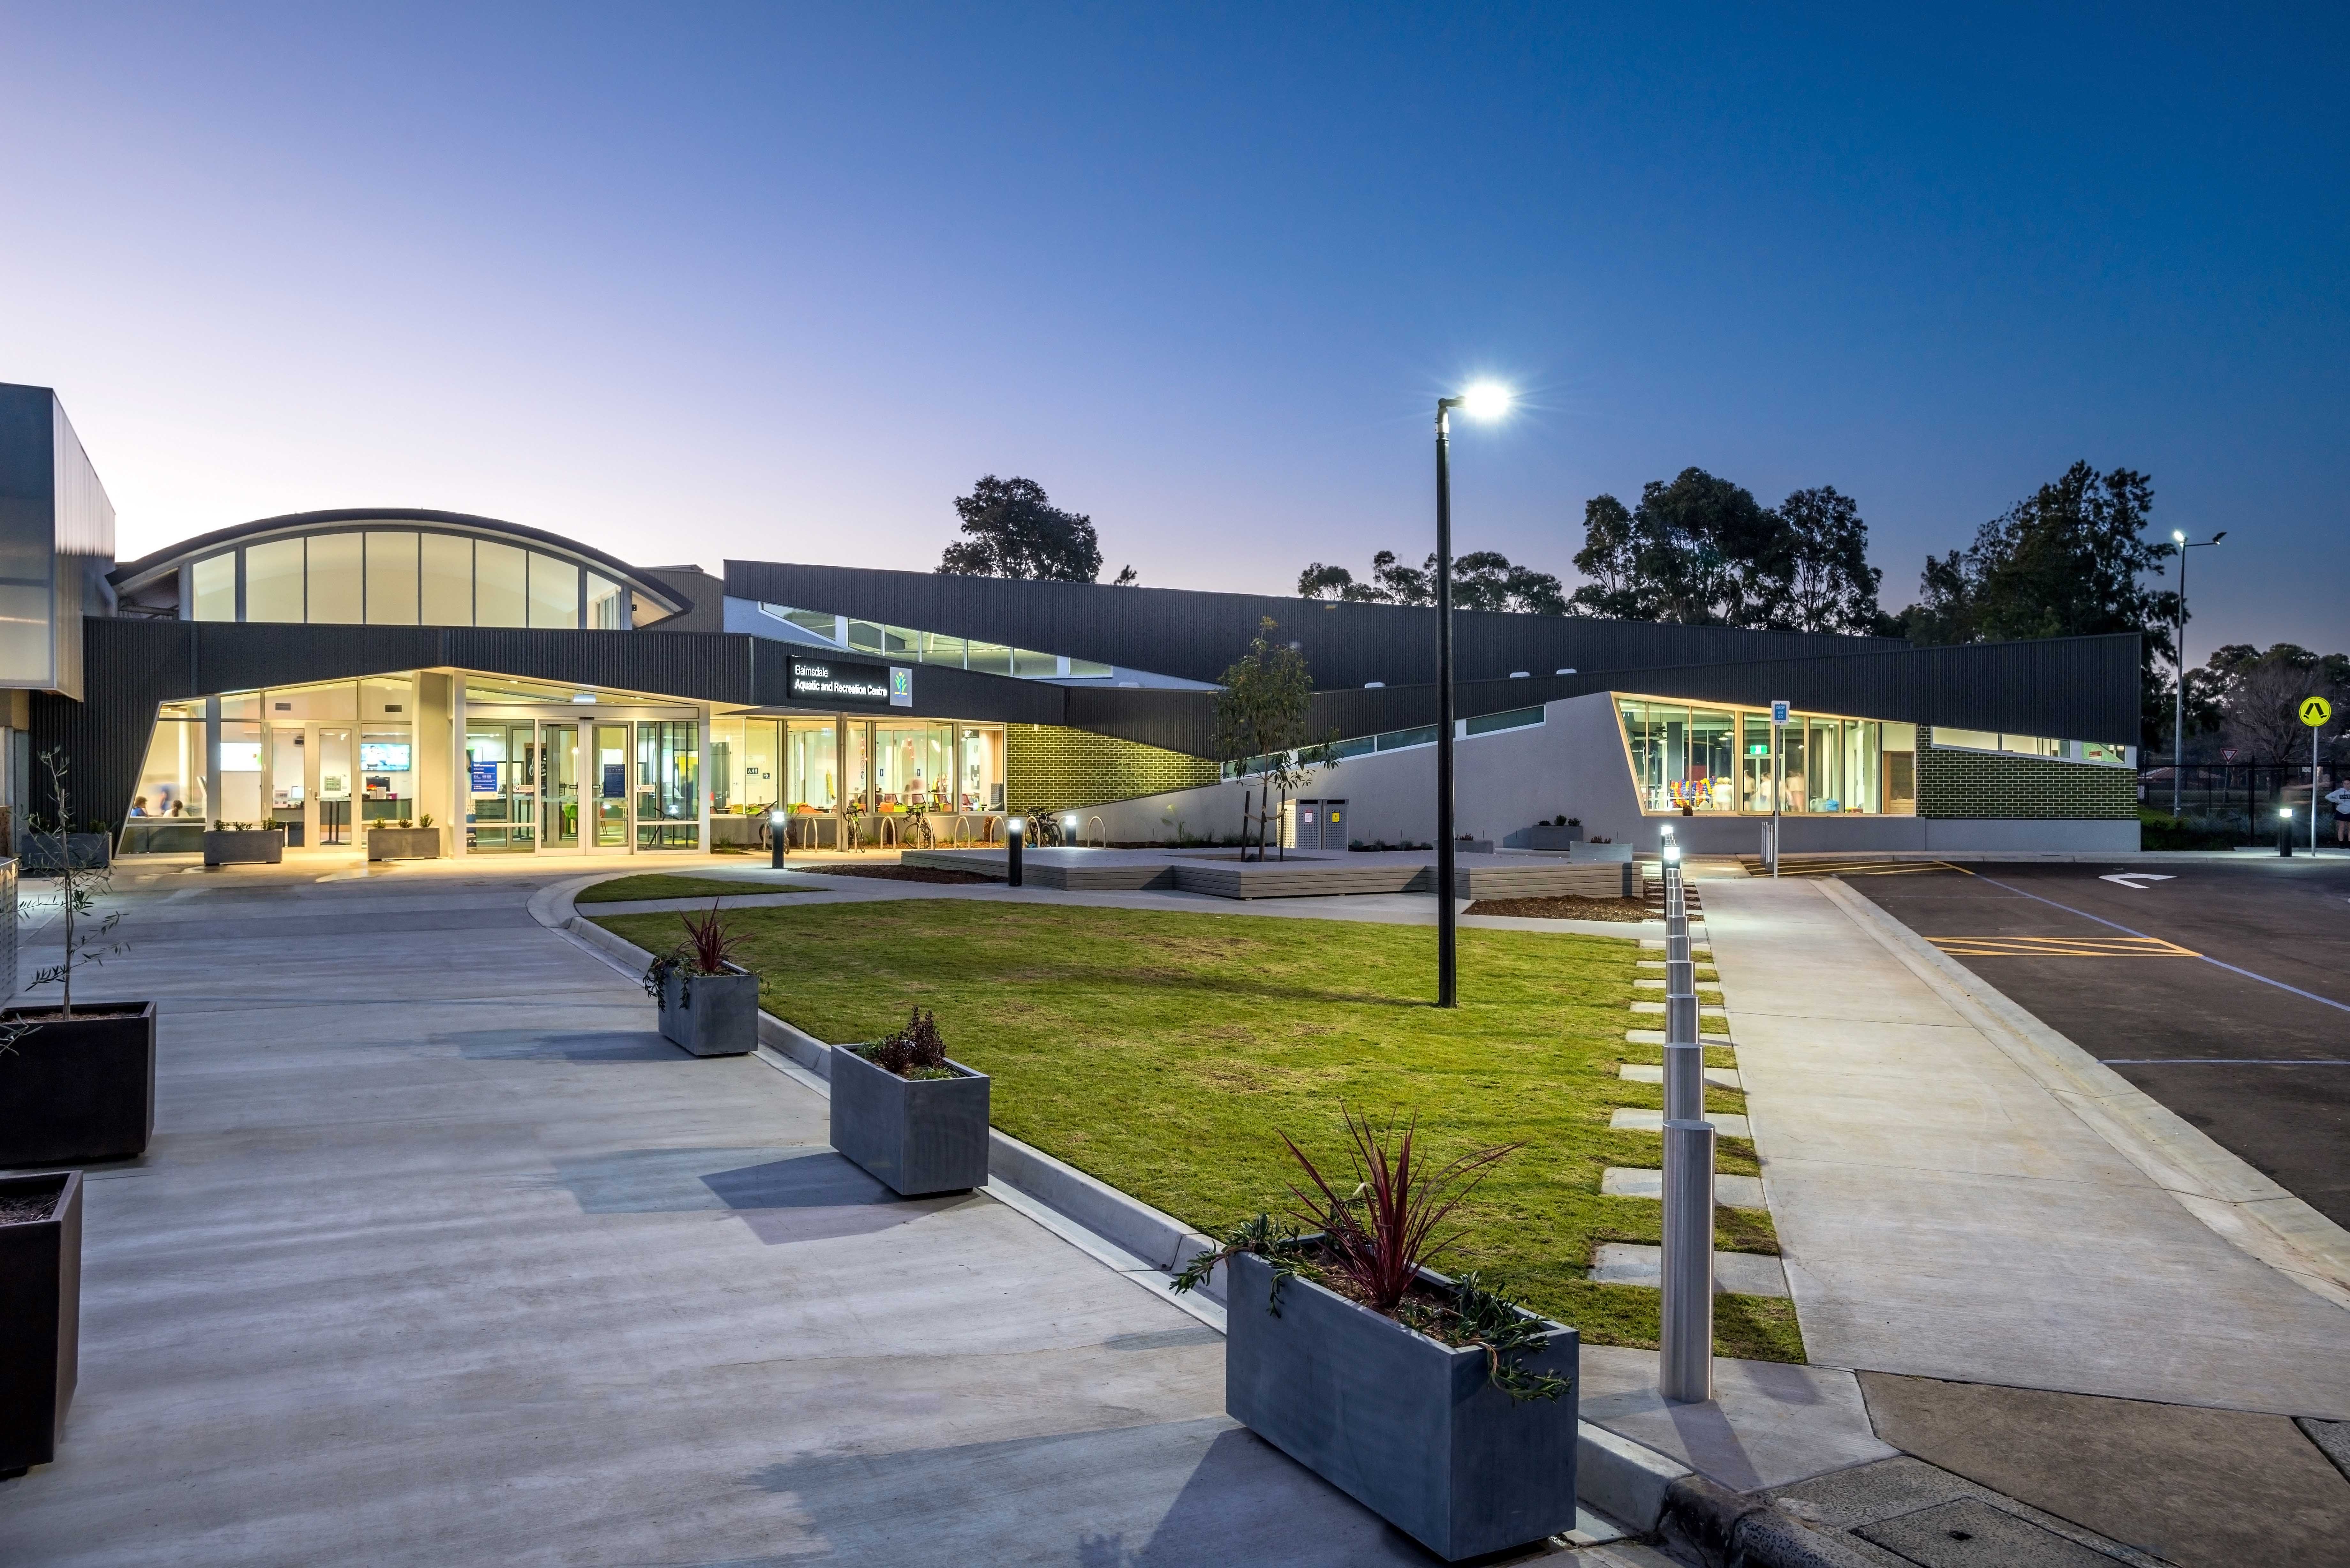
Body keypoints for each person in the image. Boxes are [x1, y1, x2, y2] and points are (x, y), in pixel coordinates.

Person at [2327, 780, 2350, 848]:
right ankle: (2341, 844)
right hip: (2341, 811)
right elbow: (2328, 797)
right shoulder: (2339, 792)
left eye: (2348, 784)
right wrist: (2337, 801)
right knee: (2341, 828)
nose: (2347, 785)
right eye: (2345, 784)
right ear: (2343, 784)